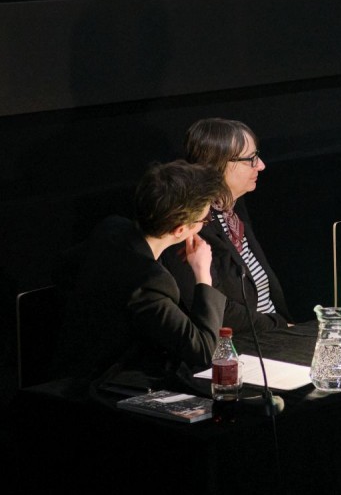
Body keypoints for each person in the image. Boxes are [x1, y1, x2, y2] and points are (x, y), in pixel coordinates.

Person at [51, 160, 232, 398]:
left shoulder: (111, 228)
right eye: (202, 222)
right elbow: (206, 352)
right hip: (101, 390)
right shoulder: (149, 283)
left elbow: (62, 270)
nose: (202, 227)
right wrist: (202, 274)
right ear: (179, 230)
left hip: (68, 366)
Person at [160, 118, 293, 355]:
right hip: (241, 347)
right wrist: (279, 326)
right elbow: (216, 308)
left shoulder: (233, 207)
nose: (260, 165)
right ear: (217, 165)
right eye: (250, 159)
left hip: (273, 333)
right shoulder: (189, 224)